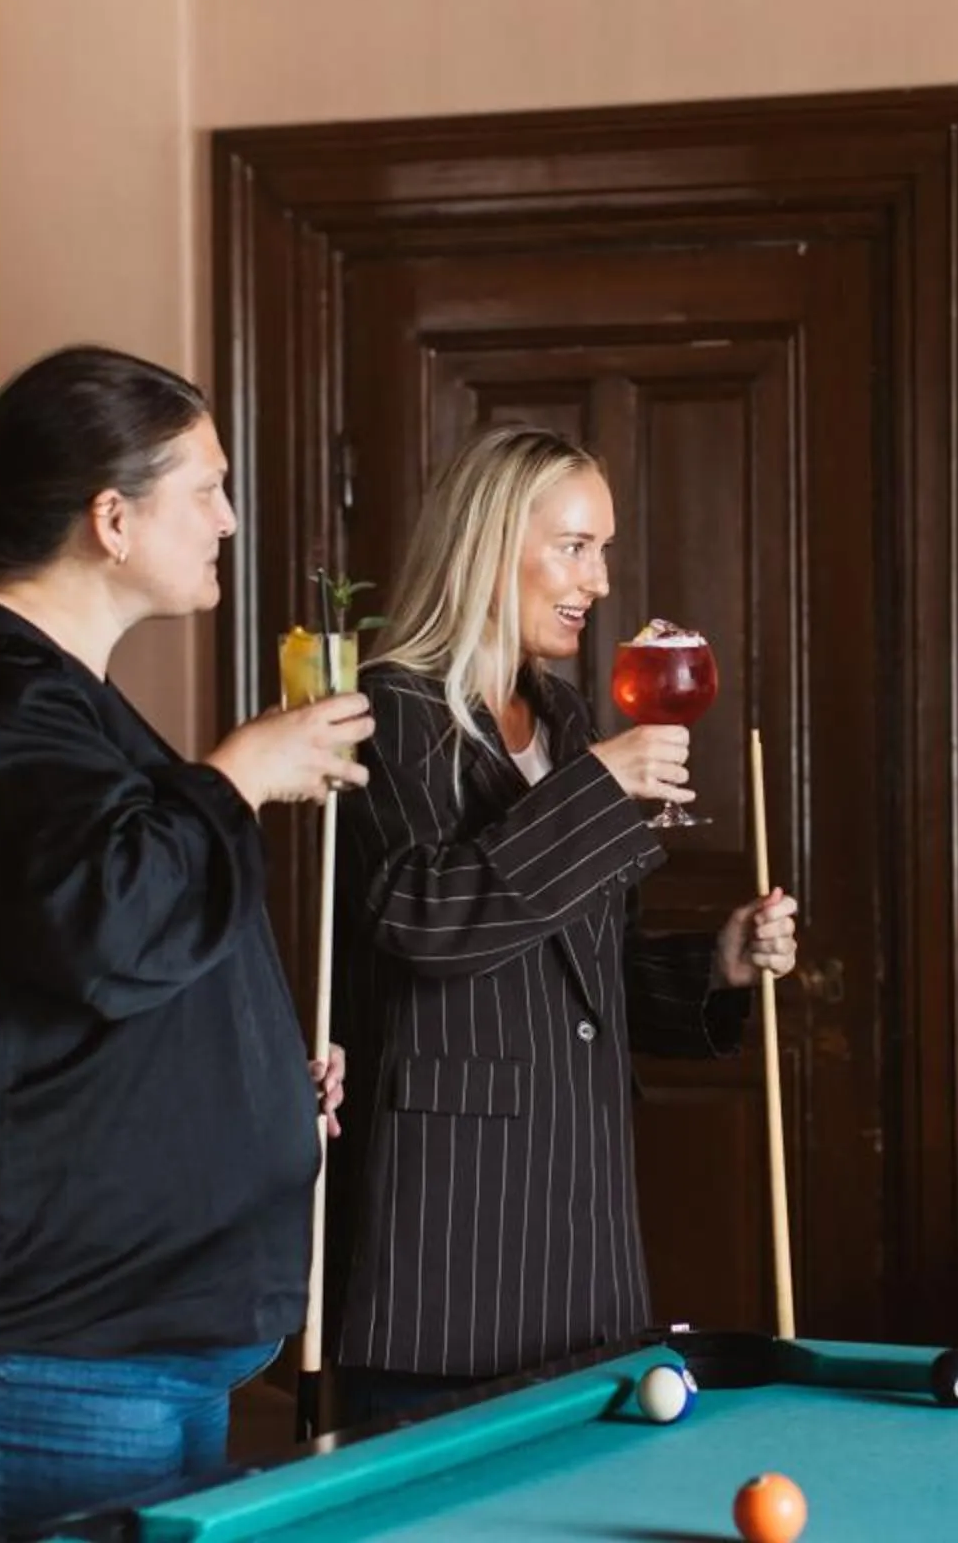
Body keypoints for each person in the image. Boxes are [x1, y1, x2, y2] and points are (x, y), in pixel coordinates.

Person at [0, 346, 374, 1543]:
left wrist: (239, 1079)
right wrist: (239, 771)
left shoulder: (35, 687)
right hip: (13, 1353)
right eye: (205, 486)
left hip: (100, 1347)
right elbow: (113, 923)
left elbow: (57, 966)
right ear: (110, 516)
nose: (229, 519)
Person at [328, 423, 797, 1420]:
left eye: (605, 549)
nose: (599, 578)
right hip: (445, 1241)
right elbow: (422, 916)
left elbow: (592, 968)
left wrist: (716, 963)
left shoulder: (573, 718)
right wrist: (592, 790)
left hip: (582, 1226)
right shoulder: (389, 708)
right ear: (491, 544)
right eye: (575, 546)